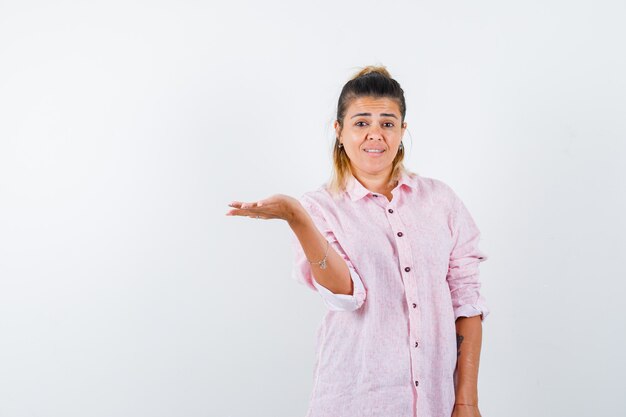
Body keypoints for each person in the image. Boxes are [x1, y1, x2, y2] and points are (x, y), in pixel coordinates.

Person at [226, 65, 489, 417]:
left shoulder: (441, 201)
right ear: (339, 130)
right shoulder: (319, 207)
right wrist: (297, 218)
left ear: (402, 130)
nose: (375, 135)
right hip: (355, 399)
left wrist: (466, 400)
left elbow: (466, 301)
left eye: (387, 123)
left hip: (434, 403)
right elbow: (346, 294)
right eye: (362, 123)